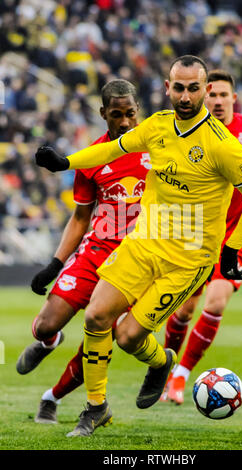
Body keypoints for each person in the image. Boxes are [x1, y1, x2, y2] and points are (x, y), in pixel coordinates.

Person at [35, 55, 242, 437]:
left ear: (206, 91)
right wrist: (66, 162)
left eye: (194, 88)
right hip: (143, 244)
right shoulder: (157, 126)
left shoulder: (223, 146)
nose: (185, 95)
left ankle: (162, 363)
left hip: (188, 260)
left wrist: (232, 248)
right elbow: (111, 150)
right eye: (178, 87)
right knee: (96, 318)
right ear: (167, 88)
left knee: (128, 337)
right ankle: (96, 408)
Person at [16, 79, 150, 422]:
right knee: (45, 325)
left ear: (138, 112)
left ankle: (53, 396)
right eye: (116, 114)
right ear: (103, 113)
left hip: (135, 263)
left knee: (98, 333)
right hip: (94, 253)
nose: (124, 122)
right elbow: (80, 217)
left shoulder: (157, 150)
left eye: (130, 114)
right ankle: (49, 342)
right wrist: (55, 264)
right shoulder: (91, 157)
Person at [161, 69, 242, 405]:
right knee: (183, 311)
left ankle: (181, 377)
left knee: (215, 302)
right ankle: (165, 371)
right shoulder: (188, 129)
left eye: (222, 96)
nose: (216, 101)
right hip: (195, 233)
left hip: (233, 236)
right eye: (211, 95)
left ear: (233, 98)